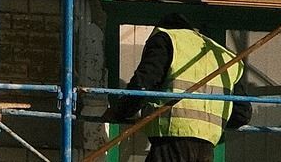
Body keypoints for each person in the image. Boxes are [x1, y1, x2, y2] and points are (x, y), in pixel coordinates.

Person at [106, 12, 251, 162]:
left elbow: (143, 84)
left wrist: (120, 112)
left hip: (172, 139)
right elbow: (241, 114)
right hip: (206, 148)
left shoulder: (167, 39)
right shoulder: (225, 56)